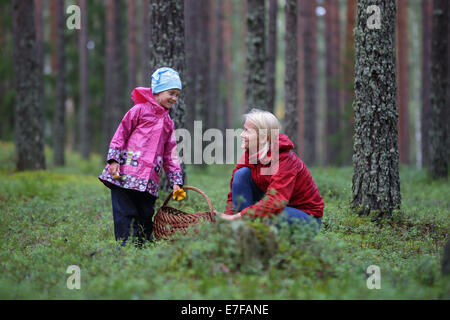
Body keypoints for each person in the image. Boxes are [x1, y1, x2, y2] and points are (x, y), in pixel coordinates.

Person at [99, 67, 183, 246]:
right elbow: (121, 133)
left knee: (145, 214)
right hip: (125, 174)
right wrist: (113, 160)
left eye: (177, 95)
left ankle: (143, 248)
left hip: (149, 181)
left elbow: (170, 154)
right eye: (171, 93)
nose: (174, 99)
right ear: (158, 91)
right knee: (125, 213)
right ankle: (125, 249)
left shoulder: (168, 123)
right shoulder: (139, 110)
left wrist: (175, 181)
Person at [218, 109, 324, 230]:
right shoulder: (251, 153)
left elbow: (276, 202)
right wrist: (228, 217)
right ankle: (241, 229)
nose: (242, 135)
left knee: (272, 215)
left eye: (247, 131)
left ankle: (248, 226)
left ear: (263, 137)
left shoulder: (284, 160)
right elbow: (234, 191)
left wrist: (239, 216)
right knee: (241, 174)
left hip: (306, 218)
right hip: (276, 208)